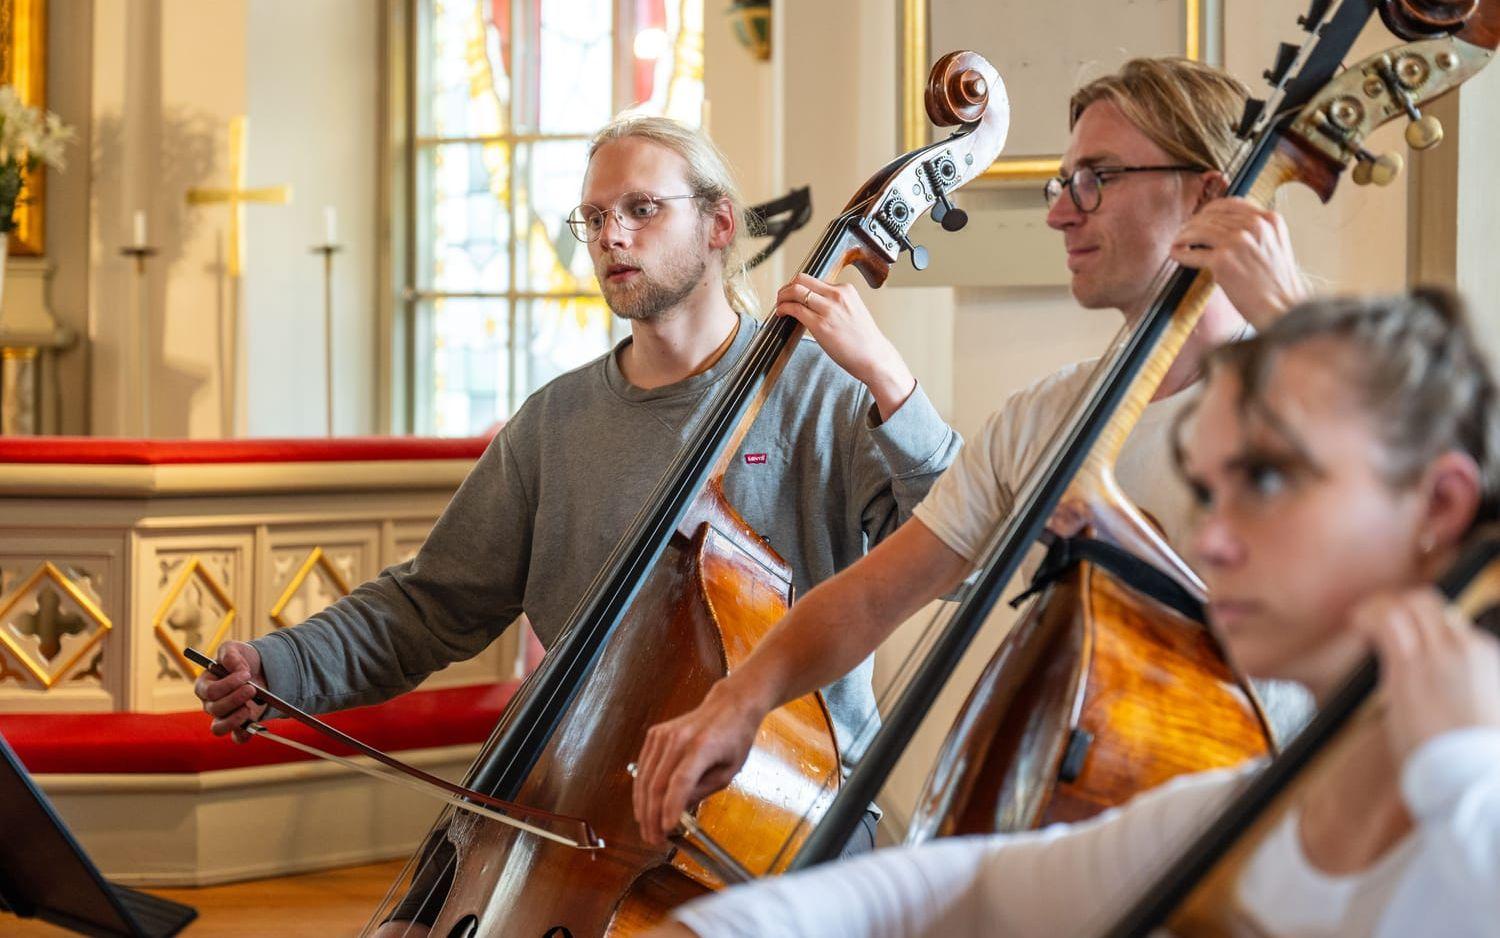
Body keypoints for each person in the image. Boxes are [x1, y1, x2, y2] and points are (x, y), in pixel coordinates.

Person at [193, 115, 959, 934]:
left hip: (779, 803)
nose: (610, 237)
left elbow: (964, 557)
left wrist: (889, 378)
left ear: (719, 224)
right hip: (565, 802)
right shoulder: (554, 423)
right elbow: (429, 605)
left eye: (640, 210)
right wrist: (284, 666)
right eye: (593, 219)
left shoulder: (824, 396)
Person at [646, 287, 1500, 938]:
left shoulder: (1472, 808)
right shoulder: (1244, 813)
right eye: (1210, 491)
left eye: (1269, 480)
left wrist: (1457, 773)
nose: (1213, 541)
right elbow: (968, 887)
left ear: (1443, 505)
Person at [633, 55, 1312, 846]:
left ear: (1210, 192)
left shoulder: (1319, 391)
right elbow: (869, 597)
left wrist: (1294, 323)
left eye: (1097, 178)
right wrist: (737, 702)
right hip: (1068, 831)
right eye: (1063, 183)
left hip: (1261, 841)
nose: (1061, 213)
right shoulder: (1045, 417)